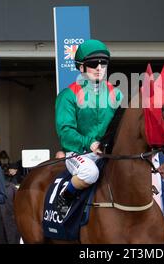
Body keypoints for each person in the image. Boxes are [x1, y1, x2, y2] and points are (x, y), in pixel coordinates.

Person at [54, 39, 122, 218]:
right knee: (90, 172)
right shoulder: (68, 95)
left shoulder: (117, 94)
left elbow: (121, 126)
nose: (99, 67)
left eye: (103, 63)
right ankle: (65, 197)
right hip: (79, 152)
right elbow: (65, 131)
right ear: (81, 67)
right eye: (93, 64)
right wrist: (90, 143)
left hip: (108, 152)